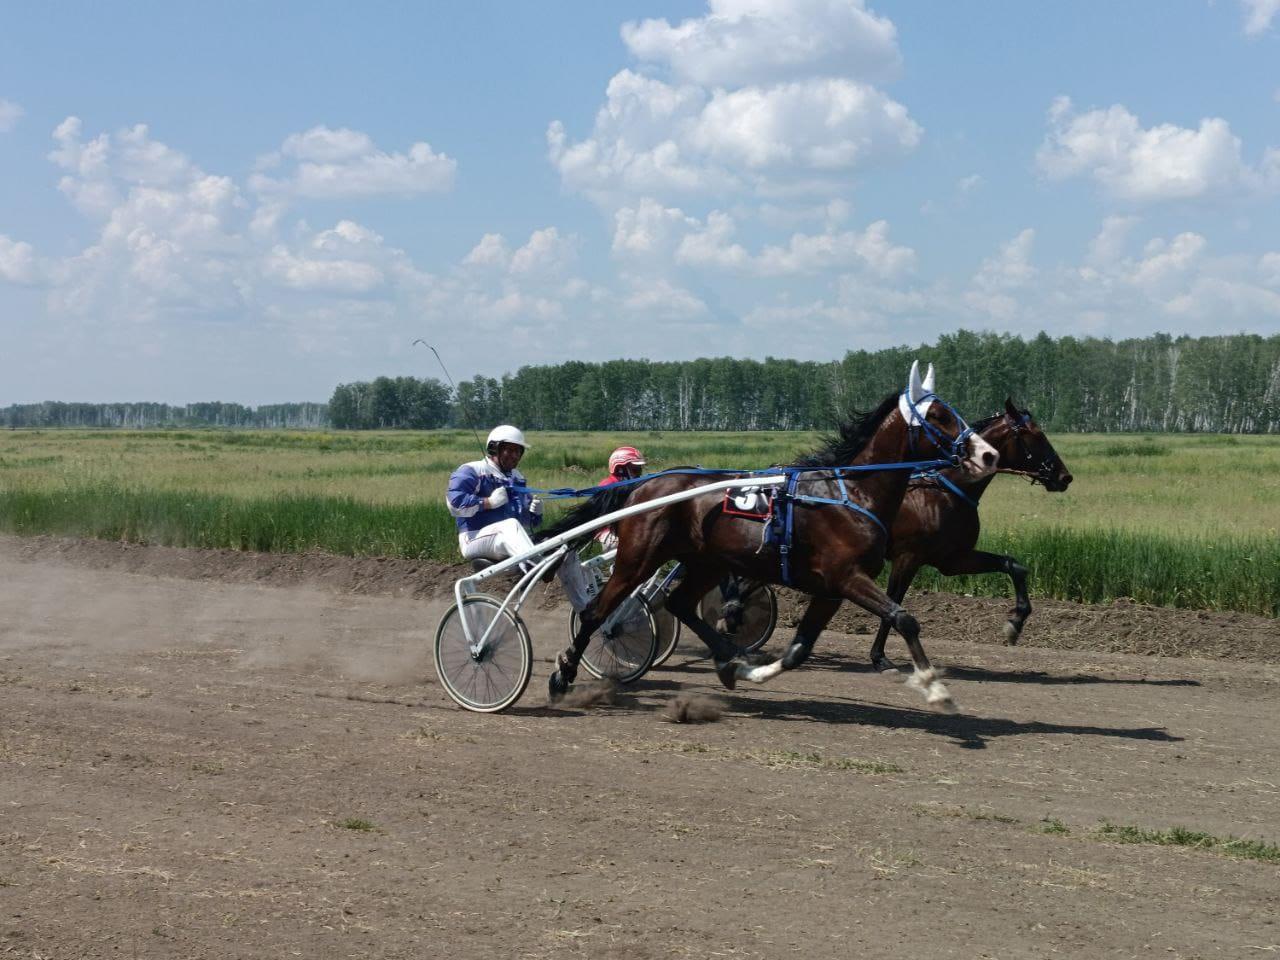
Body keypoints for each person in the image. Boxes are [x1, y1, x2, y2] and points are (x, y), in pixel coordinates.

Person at [446, 424, 594, 611]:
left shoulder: (517, 478)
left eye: (518, 451)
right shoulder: (471, 470)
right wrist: (488, 503)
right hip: (474, 539)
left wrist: (534, 513)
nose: (514, 456)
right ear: (494, 448)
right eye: (509, 450)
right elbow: (454, 504)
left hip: (509, 542)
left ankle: (587, 610)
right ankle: (537, 565)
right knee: (509, 525)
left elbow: (525, 524)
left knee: (566, 548)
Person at [594, 445, 647, 549]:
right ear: (620, 468)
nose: (639, 474)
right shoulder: (608, 485)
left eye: (639, 470)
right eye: (635, 470)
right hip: (607, 530)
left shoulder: (630, 485)